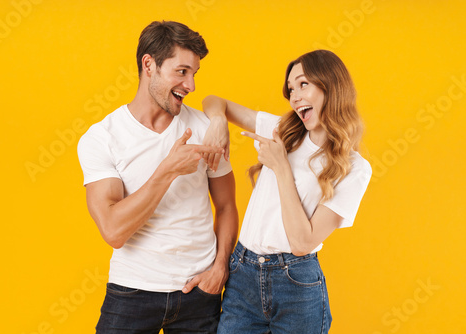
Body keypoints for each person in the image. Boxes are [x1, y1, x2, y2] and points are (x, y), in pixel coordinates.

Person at [77, 21, 238, 334]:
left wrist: (220, 268)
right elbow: (113, 231)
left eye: (194, 73)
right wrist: (168, 170)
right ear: (148, 64)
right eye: (181, 71)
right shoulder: (102, 138)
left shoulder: (206, 128)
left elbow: (227, 204)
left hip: (199, 294)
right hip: (132, 293)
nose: (190, 85)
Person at [201, 49, 372, 333]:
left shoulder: (354, 168)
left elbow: (302, 242)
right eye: (291, 89)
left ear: (331, 85)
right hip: (242, 274)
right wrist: (219, 121)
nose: (294, 97)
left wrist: (281, 167)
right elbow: (213, 101)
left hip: (296, 284)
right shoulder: (281, 129)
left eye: (303, 84)